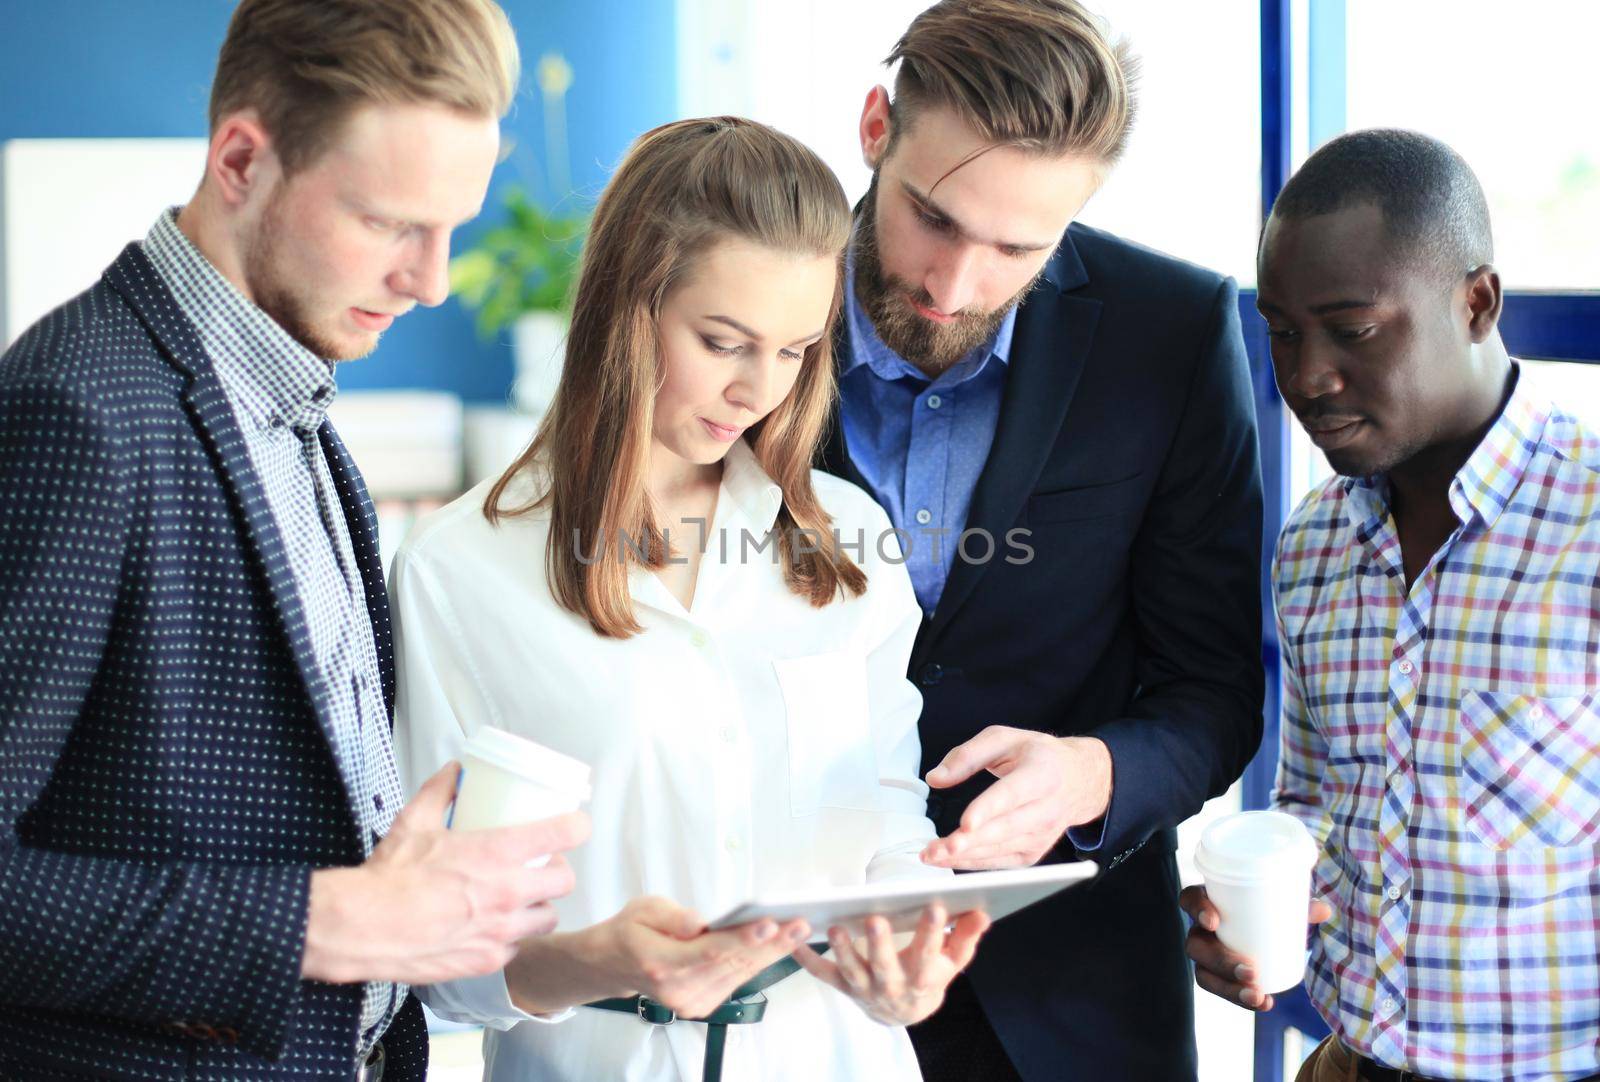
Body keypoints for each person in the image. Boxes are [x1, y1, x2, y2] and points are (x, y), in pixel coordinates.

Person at [0, 2, 589, 1078]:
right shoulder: (79, 409)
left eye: (452, 225)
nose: (434, 278)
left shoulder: (297, 404)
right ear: (240, 159)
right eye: (387, 222)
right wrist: (329, 920)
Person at [390, 116, 990, 1082]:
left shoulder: (847, 542)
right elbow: (436, 965)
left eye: (796, 350)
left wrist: (902, 960)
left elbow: (885, 819)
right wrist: (590, 961)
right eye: (723, 341)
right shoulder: (459, 571)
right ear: (630, 306)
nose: (759, 388)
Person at [815, 1, 1265, 1078]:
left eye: (1018, 246)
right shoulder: (741, 295)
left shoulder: (1173, 333)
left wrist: (1092, 773)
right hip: (789, 980)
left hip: (1076, 1005)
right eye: (931, 216)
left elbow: (1212, 691)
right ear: (875, 126)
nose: (952, 284)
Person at [1183, 128, 1600, 1082]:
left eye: (1353, 329)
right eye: (1283, 332)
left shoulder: (1590, 524)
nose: (1307, 376)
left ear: (1476, 303)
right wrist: (1253, 910)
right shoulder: (1315, 545)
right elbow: (1317, 807)